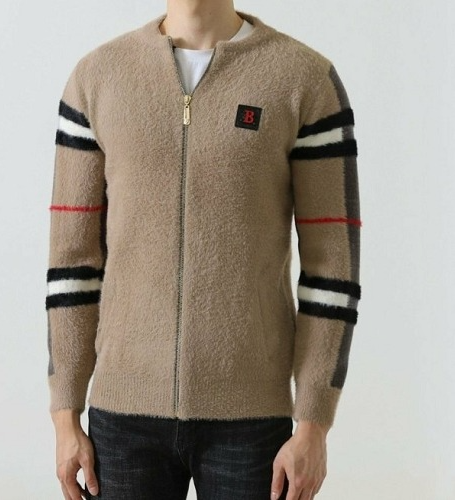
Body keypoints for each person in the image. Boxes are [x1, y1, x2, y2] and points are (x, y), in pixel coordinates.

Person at [45, 1, 361, 499]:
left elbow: (332, 268)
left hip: (253, 421)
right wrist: (65, 416)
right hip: (122, 421)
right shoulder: (97, 78)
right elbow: (72, 263)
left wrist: (314, 424)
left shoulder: (303, 79)